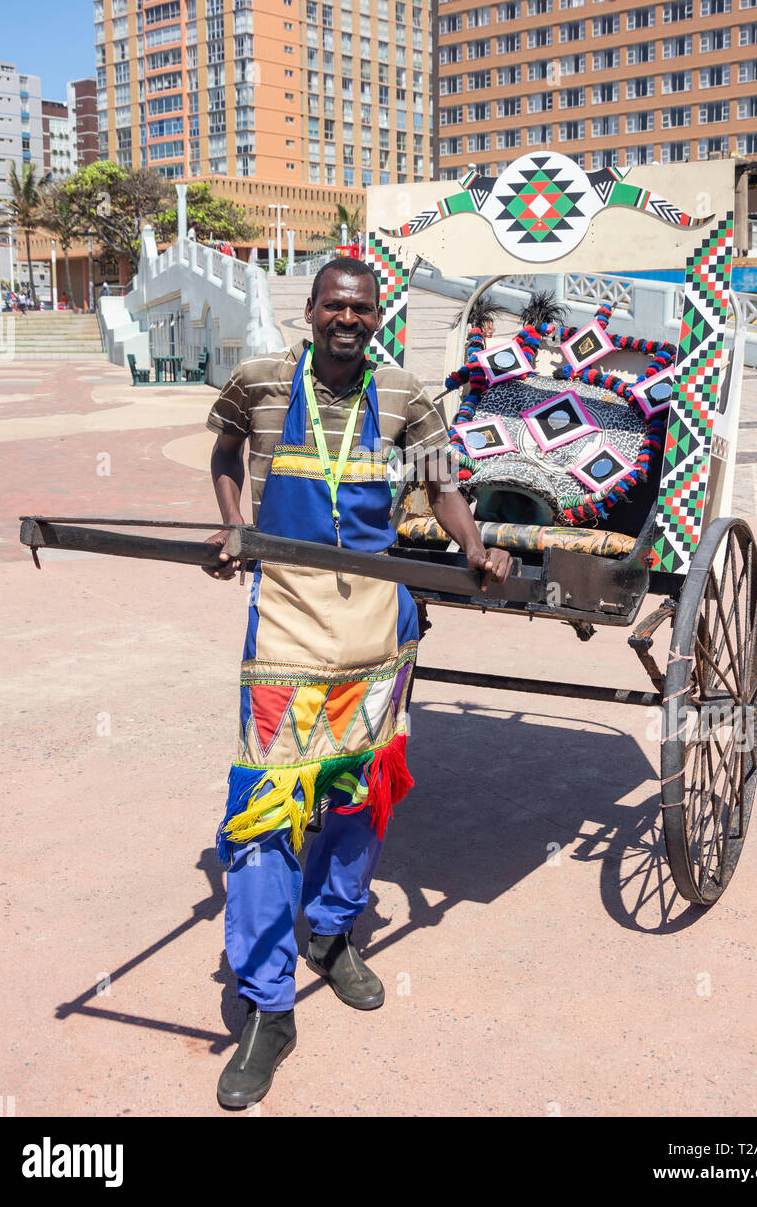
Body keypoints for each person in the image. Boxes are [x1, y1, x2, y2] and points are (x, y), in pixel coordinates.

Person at [204, 257, 512, 1109]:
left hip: (378, 631)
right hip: (288, 631)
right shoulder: (261, 381)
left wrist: (474, 548)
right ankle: (268, 1006)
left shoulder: (405, 396)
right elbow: (226, 451)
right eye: (336, 305)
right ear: (310, 311)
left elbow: (442, 484)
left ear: (378, 317)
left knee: (353, 799)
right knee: (265, 815)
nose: (349, 319)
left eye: (363, 308)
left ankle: (334, 936)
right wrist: (233, 529)